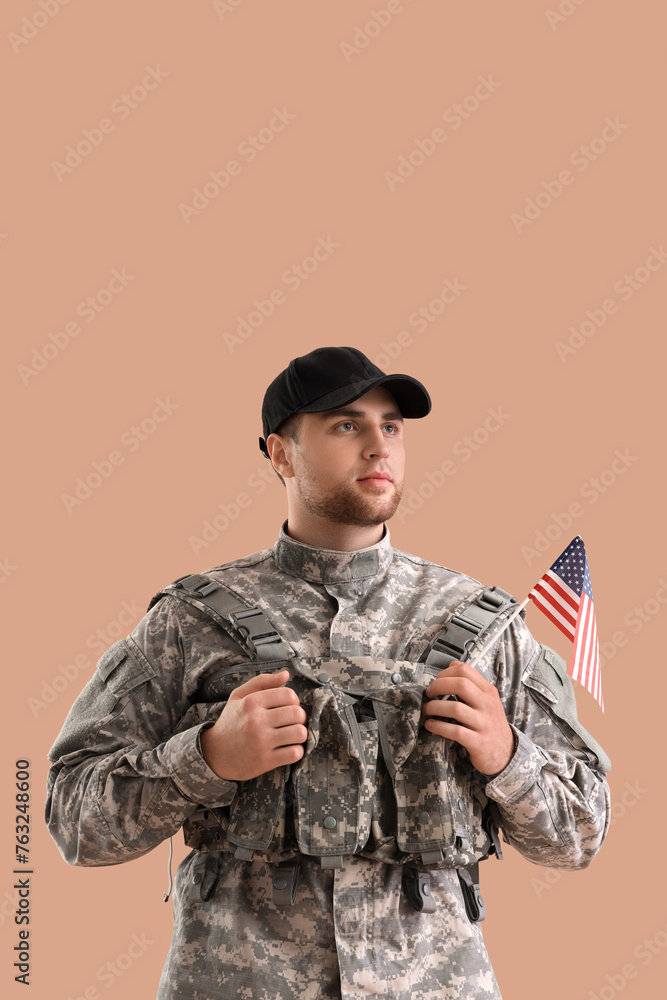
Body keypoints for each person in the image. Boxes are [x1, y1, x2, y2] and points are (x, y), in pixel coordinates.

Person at [45, 346, 611, 1000]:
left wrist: (507, 756)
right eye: (345, 425)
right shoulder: (188, 622)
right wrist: (205, 758)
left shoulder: (485, 626)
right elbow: (72, 819)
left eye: (391, 426)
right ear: (280, 453)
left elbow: (581, 834)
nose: (378, 446)